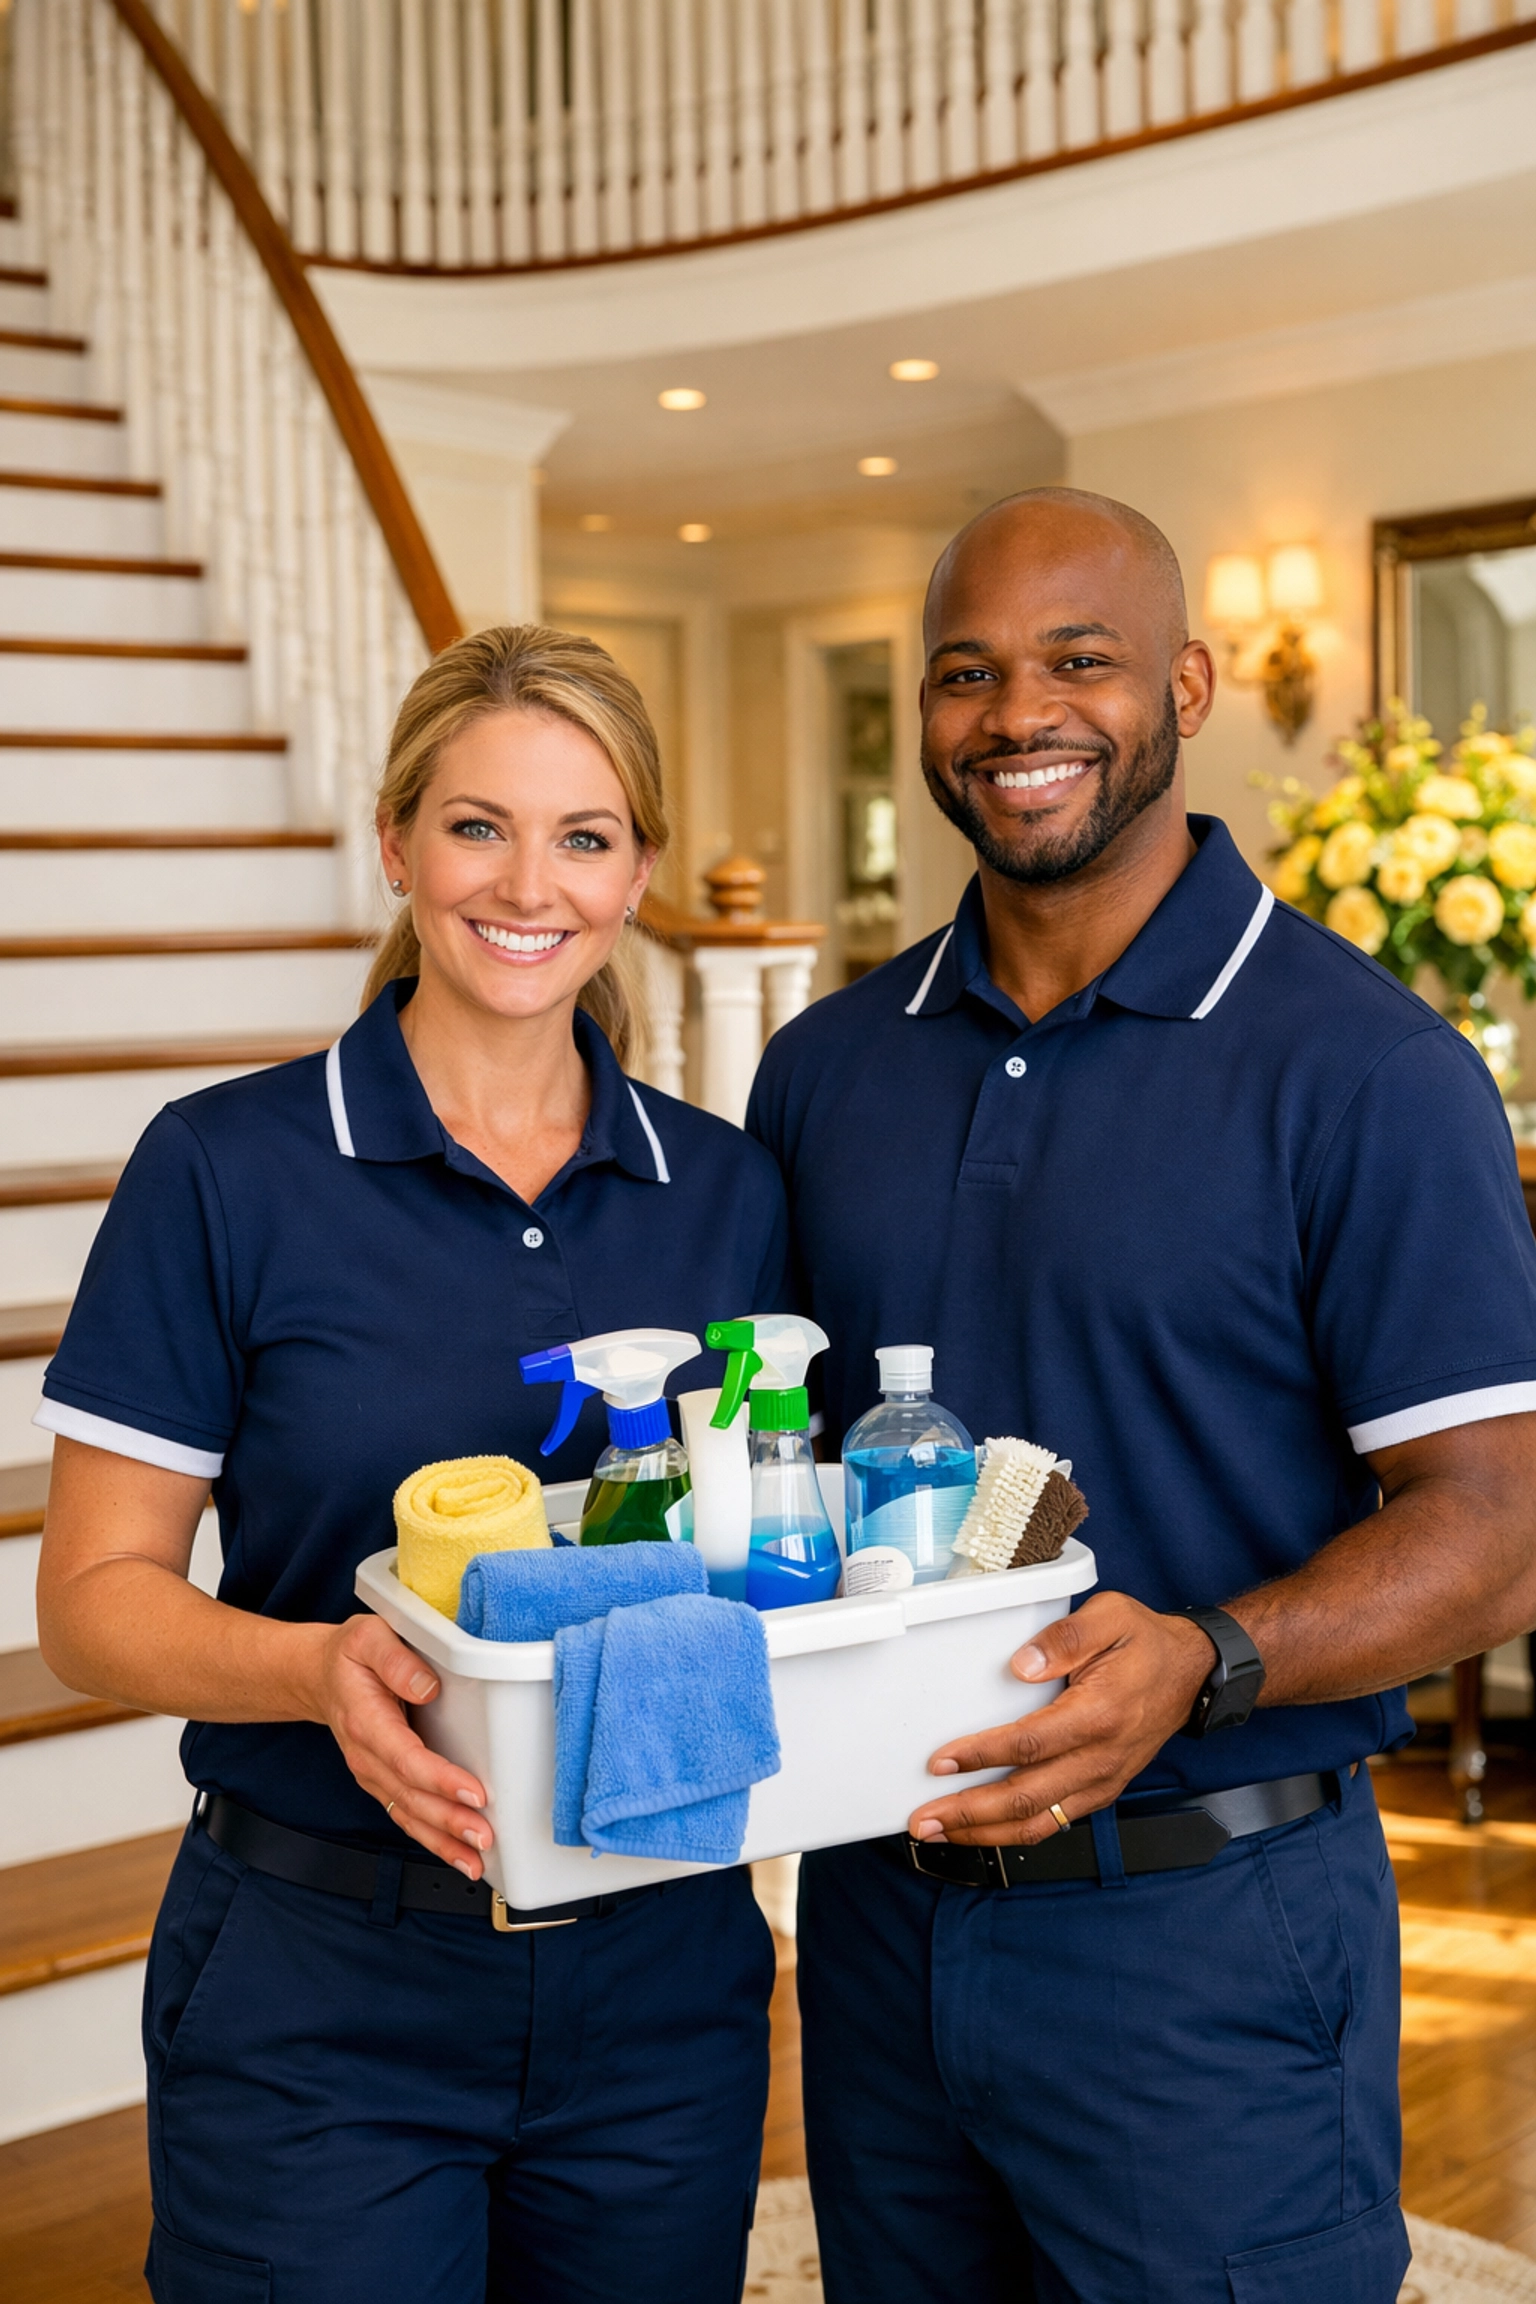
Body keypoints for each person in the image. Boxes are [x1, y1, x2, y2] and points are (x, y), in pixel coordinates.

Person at [747, 488, 1536, 2304]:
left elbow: (1493, 1529)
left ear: (1185, 685)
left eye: (1078, 661)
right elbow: (760, 1450)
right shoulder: (821, 1072)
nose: (1018, 714)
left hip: (1209, 1928)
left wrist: (1209, 1655)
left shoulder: (1369, 1071)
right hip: (880, 1914)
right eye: (968, 673)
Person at [36, 627, 787, 2304]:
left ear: (638, 874)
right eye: (478, 827)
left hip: (664, 1977)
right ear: (397, 841)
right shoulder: (227, 1170)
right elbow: (90, 1605)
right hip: (324, 1987)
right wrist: (316, 1669)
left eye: (586, 837)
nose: (531, 884)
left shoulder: (731, 1192)